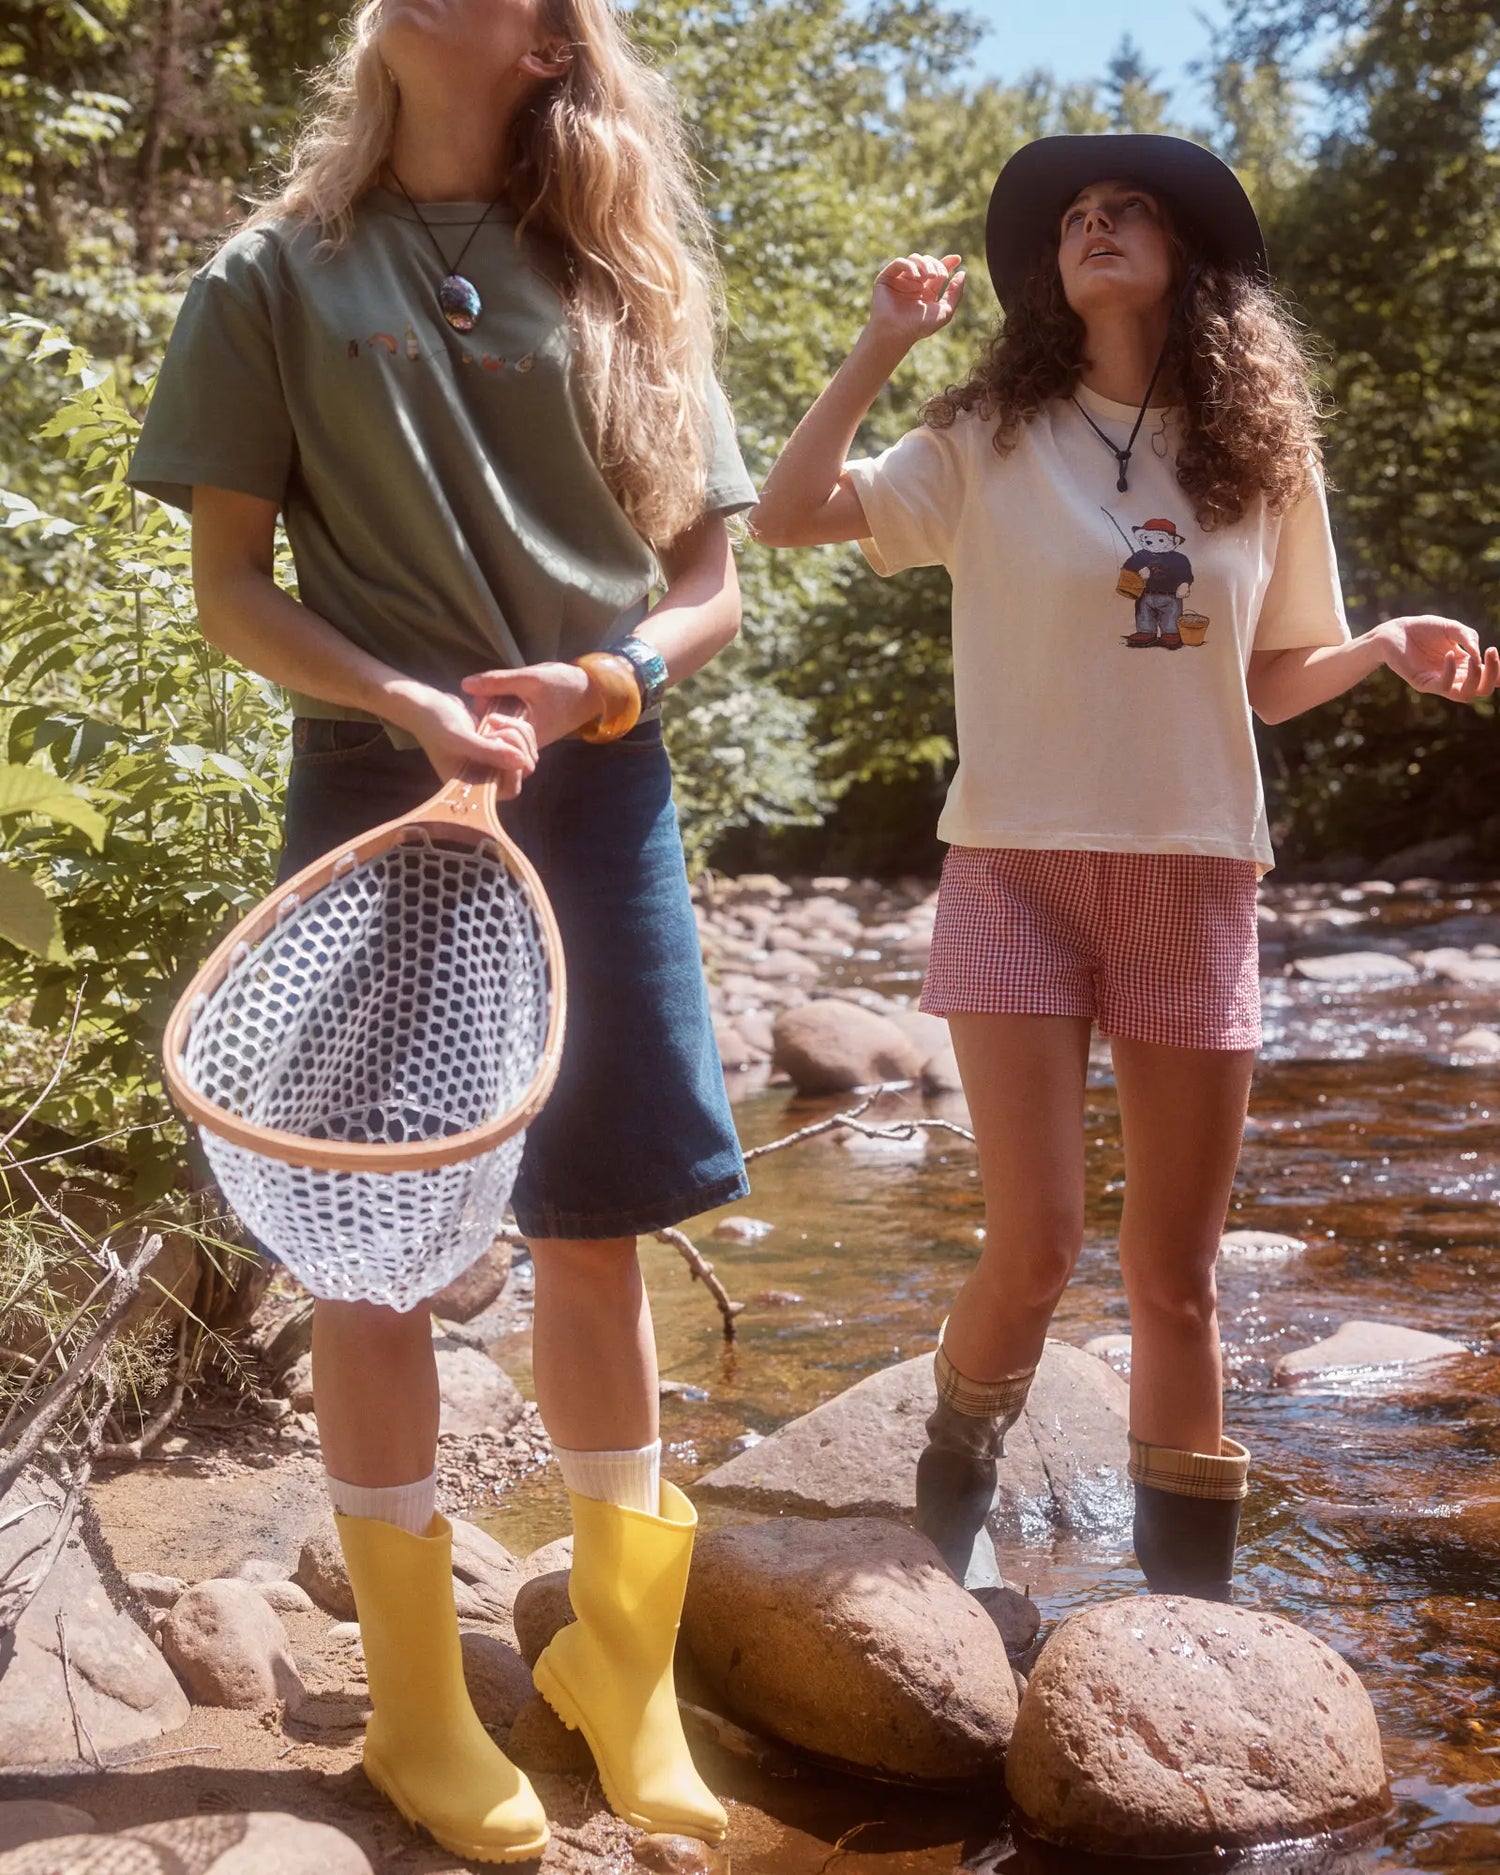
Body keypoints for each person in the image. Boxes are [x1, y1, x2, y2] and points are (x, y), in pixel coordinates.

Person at [128, 0, 754, 1858]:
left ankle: (613, 1683)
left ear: (554, 43)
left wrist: (603, 680)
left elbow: (713, 584)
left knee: (595, 1233)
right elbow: (231, 587)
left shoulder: (625, 276)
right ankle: (417, 1711)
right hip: (375, 791)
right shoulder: (269, 275)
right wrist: (411, 706)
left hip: (604, 784)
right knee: (368, 1252)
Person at [750, 133, 1498, 1606]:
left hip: (1196, 870)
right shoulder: (981, 431)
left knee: (1176, 1281)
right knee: (1031, 1253)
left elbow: (1274, 680)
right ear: (1049, 270)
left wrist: (1384, 646)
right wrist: (883, 343)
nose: (1094, 226)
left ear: (1187, 257)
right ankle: (940, 1542)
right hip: (1014, 867)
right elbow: (784, 518)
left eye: (1127, 209)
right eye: (1074, 217)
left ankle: (1188, 1629)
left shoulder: (1264, 458)